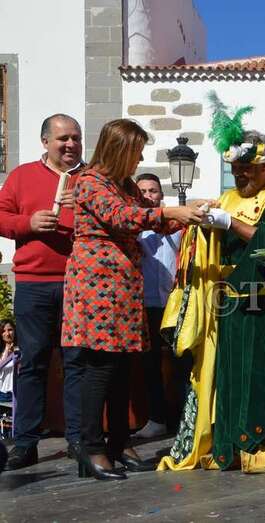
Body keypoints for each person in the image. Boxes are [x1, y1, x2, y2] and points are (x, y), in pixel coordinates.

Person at [158, 92, 265, 473]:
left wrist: (230, 224)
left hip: (263, 302)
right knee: (226, 376)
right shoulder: (225, 196)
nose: (241, 174)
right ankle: (225, 442)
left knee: (259, 374)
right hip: (224, 303)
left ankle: (259, 441)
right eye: (237, 168)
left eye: (248, 168)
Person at [61, 119, 204, 481]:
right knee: (100, 367)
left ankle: (118, 443)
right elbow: (124, 217)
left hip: (122, 285)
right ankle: (91, 448)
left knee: (124, 365)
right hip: (97, 283)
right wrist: (168, 212)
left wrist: (193, 211)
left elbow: (152, 220)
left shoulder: (122, 184)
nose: (140, 158)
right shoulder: (90, 182)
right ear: (120, 150)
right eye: (136, 151)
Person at [0, 114, 85, 470]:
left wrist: (79, 211)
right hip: (34, 284)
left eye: (76, 138)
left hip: (79, 284)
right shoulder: (21, 176)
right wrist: (28, 223)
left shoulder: (90, 179)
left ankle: (80, 439)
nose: (70, 144)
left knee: (77, 363)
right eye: (63, 138)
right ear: (45, 141)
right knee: (32, 362)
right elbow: (1, 217)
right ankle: (26, 442)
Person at [134, 173, 187, 438]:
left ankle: (181, 418)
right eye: (142, 190)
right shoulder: (131, 229)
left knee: (181, 362)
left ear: (160, 196)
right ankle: (156, 418)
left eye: (152, 190)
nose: (147, 195)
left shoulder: (175, 229)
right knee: (150, 365)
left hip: (172, 303)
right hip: (144, 304)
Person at [0, 320, 17, 402]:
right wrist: (7, 350)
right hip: (2, 393)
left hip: (16, 393)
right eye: (3, 331)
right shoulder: (1, 351)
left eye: (10, 330)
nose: (7, 334)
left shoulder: (21, 348)